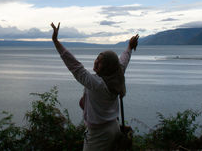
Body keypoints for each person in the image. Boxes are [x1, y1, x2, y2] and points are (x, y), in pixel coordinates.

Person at [51, 22, 139, 151]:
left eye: (101, 61)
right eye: (97, 58)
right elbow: (123, 61)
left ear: (108, 66)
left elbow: (75, 66)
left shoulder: (97, 84)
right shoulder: (116, 75)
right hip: (114, 127)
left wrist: (55, 41)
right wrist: (129, 47)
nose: (97, 61)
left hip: (99, 134)